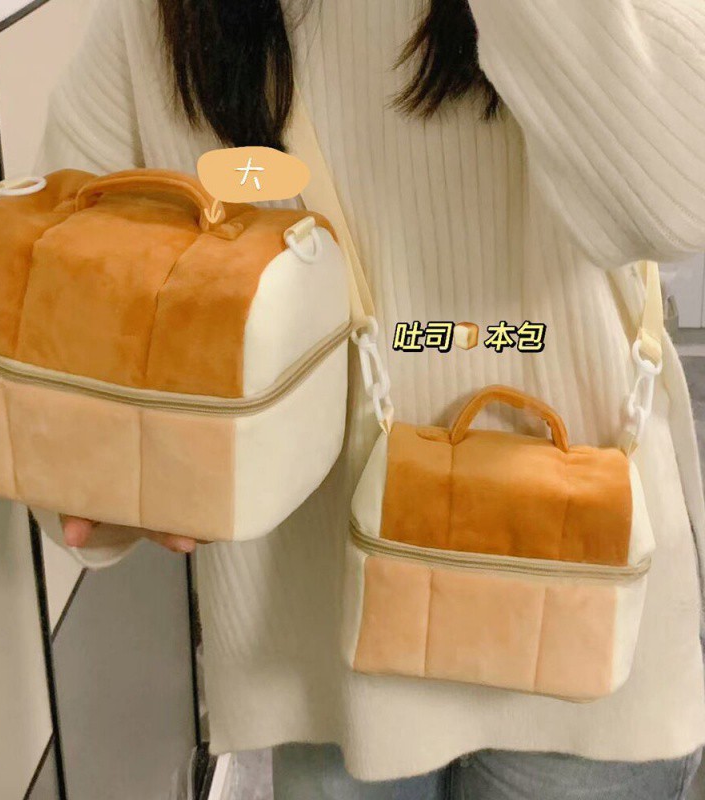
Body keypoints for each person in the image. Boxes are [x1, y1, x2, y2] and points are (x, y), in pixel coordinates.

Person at [34, 0, 705, 796]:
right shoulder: (154, 18)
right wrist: (110, 468)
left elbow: (680, 195)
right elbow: (66, 274)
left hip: (591, 649)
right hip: (332, 667)